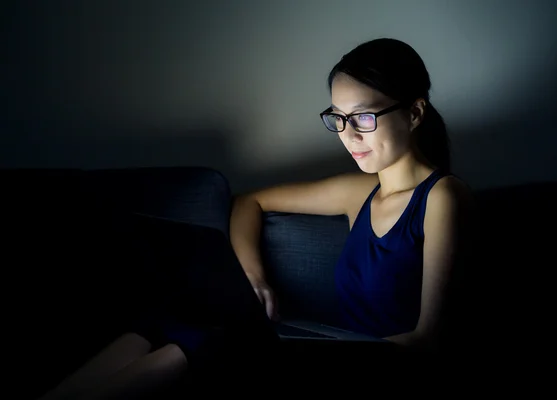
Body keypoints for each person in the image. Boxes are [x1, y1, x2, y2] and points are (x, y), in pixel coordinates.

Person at [38, 37, 475, 400]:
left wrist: (315, 353)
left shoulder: (442, 197)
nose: (349, 135)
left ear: (414, 113)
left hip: (371, 369)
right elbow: (250, 202)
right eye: (337, 119)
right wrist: (255, 279)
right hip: (329, 348)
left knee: (214, 345)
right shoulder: (360, 192)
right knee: (167, 321)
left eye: (363, 116)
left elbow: (428, 342)